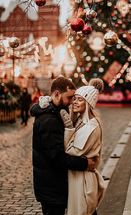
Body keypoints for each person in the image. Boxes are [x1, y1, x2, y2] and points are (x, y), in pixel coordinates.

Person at [30, 76, 96, 215]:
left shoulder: (56, 112)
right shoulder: (49, 120)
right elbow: (57, 157)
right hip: (51, 188)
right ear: (57, 94)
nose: (72, 102)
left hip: (52, 185)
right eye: (69, 97)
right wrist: (85, 164)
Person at [59, 78, 105, 215]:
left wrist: (68, 130)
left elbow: (71, 151)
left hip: (83, 181)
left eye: (80, 99)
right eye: (74, 99)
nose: (75, 102)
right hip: (78, 177)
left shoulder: (91, 126)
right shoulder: (80, 121)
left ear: (88, 103)